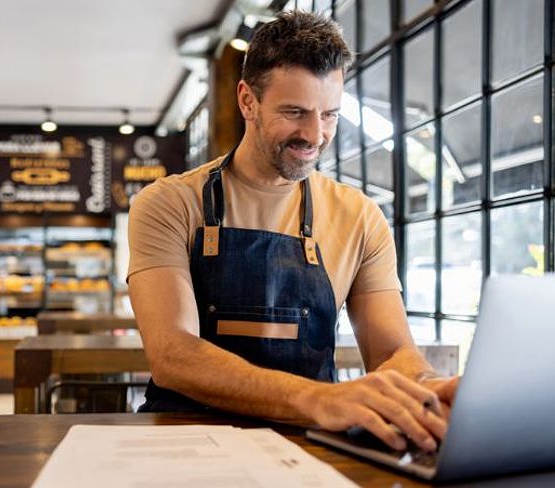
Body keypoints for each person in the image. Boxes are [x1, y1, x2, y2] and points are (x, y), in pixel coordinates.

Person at [127, 10, 458, 453]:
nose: (315, 134)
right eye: (295, 112)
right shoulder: (169, 203)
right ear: (247, 100)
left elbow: (391, 354)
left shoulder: (359, 216)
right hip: (186, 440)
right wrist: (319, 398)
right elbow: (173, 355)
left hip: (311, 445)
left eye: (330, 115)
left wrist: (428, 389)